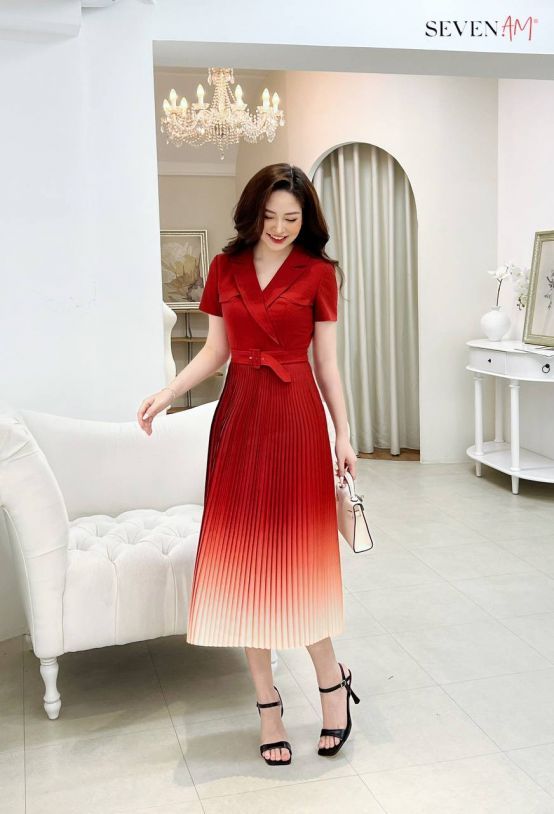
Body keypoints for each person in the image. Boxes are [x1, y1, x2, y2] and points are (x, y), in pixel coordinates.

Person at [137, 163, 360, 766]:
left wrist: (344, 434)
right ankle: (268, 707)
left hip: (296, 420)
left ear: (306, 221)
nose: (280, 228)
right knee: (246, 563)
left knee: (301, 560)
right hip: (238, 419)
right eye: (270, 217)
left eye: (292, 219)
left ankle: (331, 685)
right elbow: (217, 349)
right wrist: (168, 391)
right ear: (252, 214)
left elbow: (327, 364)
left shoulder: (319, 273)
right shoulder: (225, 268)